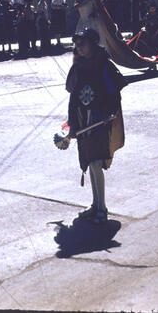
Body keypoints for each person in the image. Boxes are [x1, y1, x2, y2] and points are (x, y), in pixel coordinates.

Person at [64, 27, 126, 224]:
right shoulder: (78, 66)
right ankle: (95, 204)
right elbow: (73, 96)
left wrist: (110, 112)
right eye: (77, 45)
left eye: (83, 44)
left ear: (93, 43)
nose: (79, 48)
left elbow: (113, 92)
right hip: (83, 120)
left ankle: (102, 207)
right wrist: (72, 123)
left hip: (98, 119)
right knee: (90, 162)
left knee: (96, 163)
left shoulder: (104, 65)